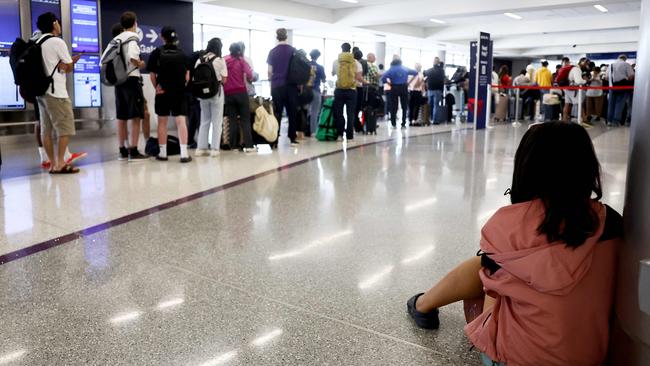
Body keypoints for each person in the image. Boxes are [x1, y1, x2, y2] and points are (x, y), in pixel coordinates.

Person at [407, 122, 622, 366]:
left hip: (513, 359)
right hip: (591, 357)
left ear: (526, 168)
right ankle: (425, 304)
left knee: (487, 270)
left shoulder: (508, 226)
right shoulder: (610, 222)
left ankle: (424, 305)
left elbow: (490, 285)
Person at [35, 12, 83, 174]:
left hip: (41, 92)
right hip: (57, 93)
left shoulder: (37, 41)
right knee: (65, 128)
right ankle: (61, 163)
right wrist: (69, 64)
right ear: (54, 24)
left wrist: (63, 65)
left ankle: (53, 163)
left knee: (46, 130)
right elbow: (68, 67)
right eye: (58, 23)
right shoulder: (57, 42)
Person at [147, 26, 192, 163]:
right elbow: (187, 76)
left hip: (163, 92)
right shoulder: (183, 54)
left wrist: (157, 88)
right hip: (179, 92)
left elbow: (152, 75)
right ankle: (184, 154)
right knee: (181, 121)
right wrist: (181, 86)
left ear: (162, 37)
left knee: (162, 122)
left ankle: (163, 153)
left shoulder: (157, 52)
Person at [107, 11, 147, 162]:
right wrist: (140, 63)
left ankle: (122, 150)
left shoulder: (116, 40)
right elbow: (132, 57)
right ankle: (134, 150)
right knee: (135, 116)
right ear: (135, 23)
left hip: (119, 81)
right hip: (131, 80)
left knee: (121, 116)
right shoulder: (132, 39)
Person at [195, 37, 228, 157]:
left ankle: (201, 148)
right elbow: (224, 79)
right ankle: (214, 149)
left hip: (202, 95)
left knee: (204, 121)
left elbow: (196, 77)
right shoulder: (220, 60)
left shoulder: (200, 60)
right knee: (217, 122)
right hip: (216, 93)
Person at [267, 28, 299, 146]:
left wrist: (273, 80)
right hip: (291, 86)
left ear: (277, 37)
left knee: (277, 112)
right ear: (286, 37)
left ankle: (274, 139)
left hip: (277, 86)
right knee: (292, 113)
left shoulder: (272, 52)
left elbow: (269, 72)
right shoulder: (293, 51)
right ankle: (292, 138)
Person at [224, 42, 255, 152]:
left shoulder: (225, 60)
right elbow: (250, 75)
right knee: (245, 120)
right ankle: (249, 146)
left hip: (228, 94)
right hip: (241, 93)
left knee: (232, 120)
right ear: (239, 50)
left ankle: (234, 146)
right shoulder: (242, 61)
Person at [332, 42, 363, 140]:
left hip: (339, 89)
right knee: (351, 113)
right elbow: (358, 77)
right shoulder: (356, 63)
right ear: (350, 50)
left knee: (339, 112)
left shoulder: (336, 61)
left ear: (341, 49)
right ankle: (349, 136)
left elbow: (333, 73)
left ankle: (340, 134)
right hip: (351, 90)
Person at [381, 58, 417, 129]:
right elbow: (415, 73)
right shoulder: (404, 68)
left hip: (394, 87)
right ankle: (403, 123)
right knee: (404, 106)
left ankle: (393, 124)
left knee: (393, 106)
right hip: (404, 87)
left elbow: (383, 78)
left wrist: (389, 83)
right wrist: (409, 82)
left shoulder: (391, 69)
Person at [605, 54, 635, 127]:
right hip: (622, 87)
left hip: (612, 87)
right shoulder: (626, 64)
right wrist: (626, 79)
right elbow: (631, 76)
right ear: (625, 59)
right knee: (619, 104)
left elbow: (606, 77)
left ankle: (609, 121)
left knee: (611, 104)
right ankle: (615, 121)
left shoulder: (611, 65)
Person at [563, 57, 589, 123]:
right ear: (582, 62)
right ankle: (585, 120)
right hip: (572, 89)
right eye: (586, 64)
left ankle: (564, 121)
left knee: (567, 104)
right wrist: (585, 81)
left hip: (567, 88)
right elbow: (578, 81)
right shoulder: (577, 69)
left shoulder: (572, 68)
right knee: (580, 104)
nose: (587, 66)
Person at [308, 49, 326, 137]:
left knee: (306, 111)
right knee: (315, 112)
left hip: (305, 91)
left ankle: (303, 130)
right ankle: (313, 131)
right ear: (318, 57)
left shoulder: (306, 65)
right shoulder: (320, 67)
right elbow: (323, 80)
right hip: (316, 90)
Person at [424, 58, 445, 124]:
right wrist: (442, 91)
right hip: (438, 90)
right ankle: (435, 120)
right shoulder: (441, 71)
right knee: (436, 105)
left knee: (430, 105)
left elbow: (424, 75)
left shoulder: (429, 70)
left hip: (430, 90)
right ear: (438, 62)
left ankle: (429, 119)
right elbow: (442, 81)